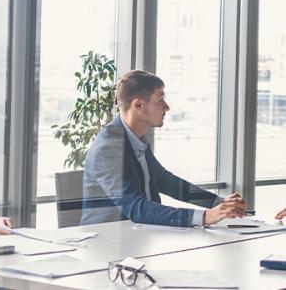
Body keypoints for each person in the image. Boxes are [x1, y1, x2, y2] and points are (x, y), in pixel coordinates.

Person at [80, 70, 246, 227]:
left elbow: (165, 181)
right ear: (138, 106)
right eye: (160, 100)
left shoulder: (136, 139)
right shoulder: (108, 148)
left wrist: (219, 204)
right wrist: (205, 217)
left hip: (138, 235)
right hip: (107, 244)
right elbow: (136, 208)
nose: (166, 107)